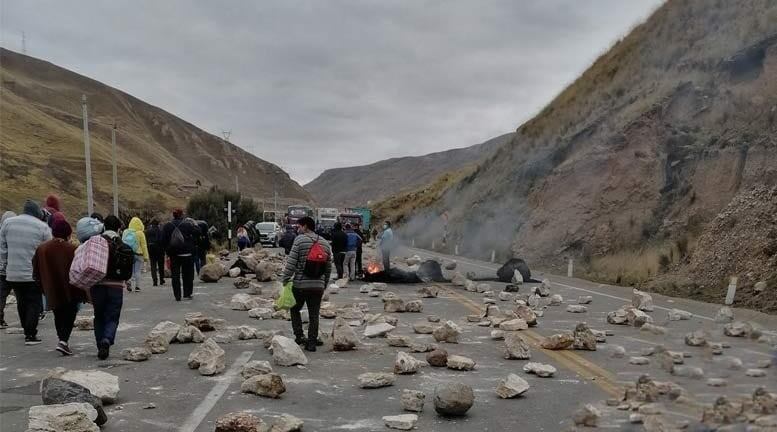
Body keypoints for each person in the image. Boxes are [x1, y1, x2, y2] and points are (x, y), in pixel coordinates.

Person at [0, 200, 52, 345]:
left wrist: (4, 263)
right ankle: (30, 333)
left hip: (12, 272)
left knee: (21, 301)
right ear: (37, 213)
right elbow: (48, 250)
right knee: (33, 303)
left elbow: (2, 248)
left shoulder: (8, 223)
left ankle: (26, 328)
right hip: (32, 273)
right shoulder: (42, 227)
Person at [33, 219, 85, 356]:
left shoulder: (42, 248)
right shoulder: (72, 249)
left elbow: (36, 270)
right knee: (70, 314)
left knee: (58, 313)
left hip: (51, 288)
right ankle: (63, 340)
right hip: (70, 289)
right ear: (68, 233)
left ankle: (62, 339)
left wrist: (41, 286)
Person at [281, 216, 332, 352]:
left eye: (299, 226)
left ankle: (299, 336)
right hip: (318, 287)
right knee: (314, 314)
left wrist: (285, 279)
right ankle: (311, 343)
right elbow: (328, 268)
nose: (298, 229)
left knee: (295, 309)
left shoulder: (299, 240)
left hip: (300, 285)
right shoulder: (325, 243)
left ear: (305, 226)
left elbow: (291, 262)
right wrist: (324, 284)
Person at [88, 215, 126, 360]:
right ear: (118, 228)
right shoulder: (122, 244)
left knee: (99, 315)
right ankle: (107, 339)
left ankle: (100, 344)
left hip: (97, 285)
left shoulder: (95, 242)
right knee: (112, 316)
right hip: (116, 286)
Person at [161, 209, 199, 301]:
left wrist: (167, 250)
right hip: (187, 253)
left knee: (175, 275)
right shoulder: (187, 225)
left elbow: (163, 240)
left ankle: (177, 295)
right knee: (188, 275)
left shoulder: (167, 226)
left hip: (174, 254)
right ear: (182, 215)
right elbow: (198, 233)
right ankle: (187, 293)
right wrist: (194, 223)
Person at [122, 217, 149, 292]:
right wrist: (146, 257)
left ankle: (129, 282)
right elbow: (144, 245)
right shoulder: (140, 233)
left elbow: (122, 243)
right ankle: (137, 287)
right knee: (137, 271)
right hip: (139, 254)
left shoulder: (125, 232)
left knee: (129, 270)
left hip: (128, 254)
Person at [0, 211, 17, 328]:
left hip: (2, 270)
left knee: (1, 295)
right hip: (16, 269)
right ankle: (29, 318)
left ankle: (0, 318)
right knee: (23, 295)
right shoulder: (17, 235)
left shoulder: (1, 233)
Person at [145, 218, 165, 286]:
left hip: (151, 250)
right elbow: (162, 240)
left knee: (153, 265)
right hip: (159, 250)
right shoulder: (160, 231)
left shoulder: (147, 231)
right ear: (157, 224)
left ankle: (155, 281)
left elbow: (146, 241)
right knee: (160, 265)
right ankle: (161, 279)